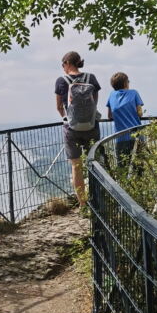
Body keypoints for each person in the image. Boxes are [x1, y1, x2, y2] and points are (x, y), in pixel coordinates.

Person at [54, 51, 102, 207]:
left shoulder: (61, 81)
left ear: (68, 63)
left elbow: (59, 107)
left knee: (76, 166)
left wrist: (68, 117)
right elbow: (95, 102)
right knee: (95, 164)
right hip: (91, 126)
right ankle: (98, 200)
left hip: (71, 129)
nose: (62, 67)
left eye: (63, 64)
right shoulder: (91, 78)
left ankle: (83, 204)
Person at [105, 72, 144, 171]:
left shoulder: (112, 95)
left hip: (121, 138)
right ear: (125, 83)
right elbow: (140, 113)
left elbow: (109, 115)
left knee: (122, 169)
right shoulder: (134, 93)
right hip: (137, 136)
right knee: (138, 169)